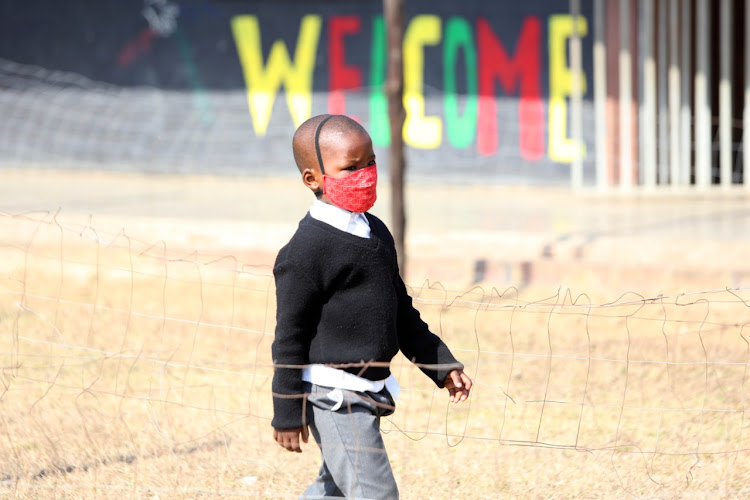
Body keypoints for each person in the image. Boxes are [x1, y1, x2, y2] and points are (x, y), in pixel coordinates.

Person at [271, 114, 472, 499]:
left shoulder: (375, 230)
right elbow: (289, 339)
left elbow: (402, 311)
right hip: (333, 397)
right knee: (375, 493)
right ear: (312, 179)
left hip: (371, 388)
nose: (365, 174)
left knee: (332, 491)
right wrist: (286, 411)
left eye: (370, 163)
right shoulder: (305, 252)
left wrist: (440, 364)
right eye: (350, 167)